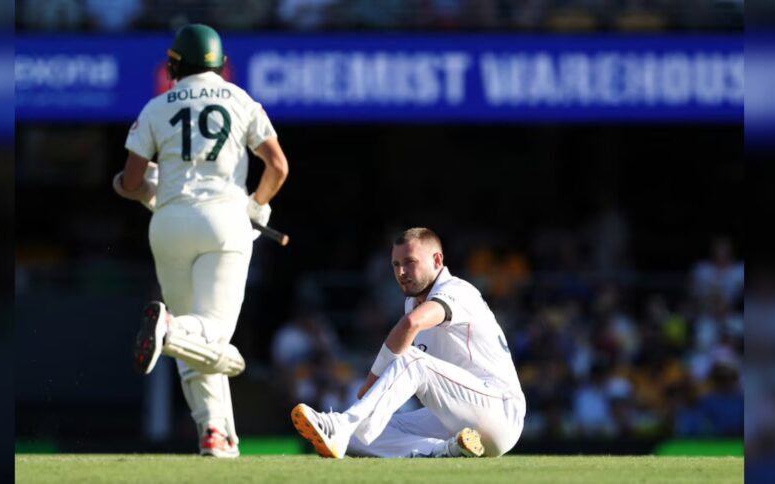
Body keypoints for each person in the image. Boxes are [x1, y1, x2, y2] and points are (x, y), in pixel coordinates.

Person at [112, 23, 289, 457]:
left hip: (168, 224)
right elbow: (278, 167)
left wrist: (136, 184)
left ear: (176, 64)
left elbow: (132, 182)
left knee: (199, 342)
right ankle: (170, 329)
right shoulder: (241, 100)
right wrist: (256, 205)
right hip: (225, 223)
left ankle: (215, 433)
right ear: (220, 64)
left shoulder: (156, 106)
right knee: (212, 336)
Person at [291, 228, 525, 458]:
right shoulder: (411, 302)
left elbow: (411, 324)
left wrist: (371, 382)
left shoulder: (457, 290)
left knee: (413, 360)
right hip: (462, 416)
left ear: (437, 260)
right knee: (360, 437)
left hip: (500, 412)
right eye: (395, 264)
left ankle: (342, 424)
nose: (401, 272)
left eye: (410, 262)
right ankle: (444, 450)